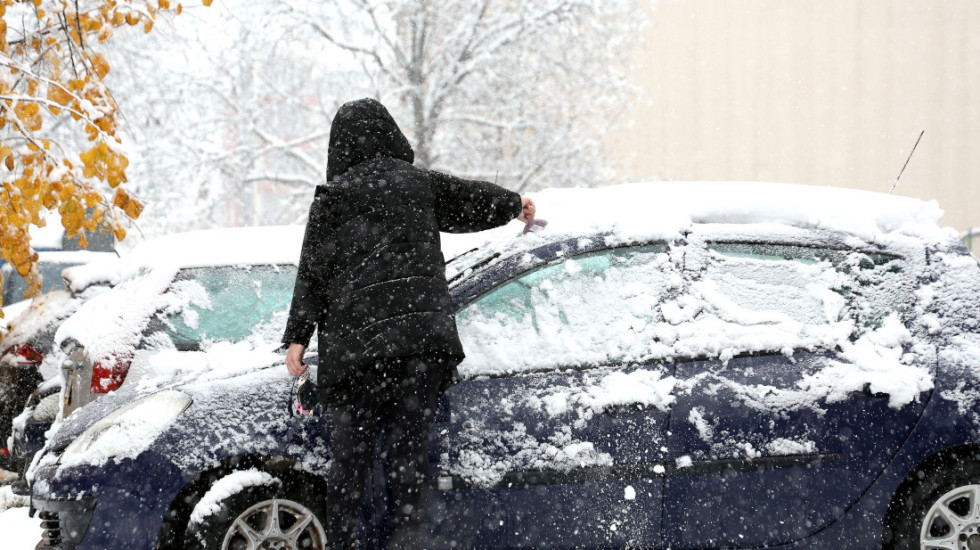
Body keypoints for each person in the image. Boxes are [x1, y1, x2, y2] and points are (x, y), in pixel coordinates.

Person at [282, 97, 535, 549]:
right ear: (391, 134)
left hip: (358, 356)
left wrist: (298, 339)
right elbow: (469, 199)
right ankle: (407, 539)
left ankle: (346, 542)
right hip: (419, 350)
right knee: (408, 461)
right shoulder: (418, 186)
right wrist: (514, 204)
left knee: (350, 466)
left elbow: (312, 273)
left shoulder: (333, 199)